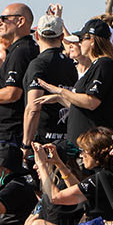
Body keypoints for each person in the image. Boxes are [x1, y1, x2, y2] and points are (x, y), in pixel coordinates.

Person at [0, 3, 36, 146]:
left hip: (10, 134)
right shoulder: (18, 50)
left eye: (4, 18)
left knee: (2, 169)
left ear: (20, 21)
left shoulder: (21, 51)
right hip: (6, 133)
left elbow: (12, 93)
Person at [22, 10, 77, 144]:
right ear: (62, 37)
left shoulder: (38, 64)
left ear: (36, 35)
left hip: (43, 141)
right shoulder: (71, 64)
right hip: (66, 140)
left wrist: (26, 143)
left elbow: (34, 107)